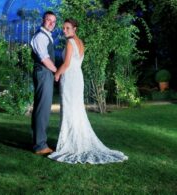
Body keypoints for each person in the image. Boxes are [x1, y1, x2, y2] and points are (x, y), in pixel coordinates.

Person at [48, 18, 128, 164]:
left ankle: (70, 144)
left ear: (74, 29)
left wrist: (57, 74)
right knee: (76, 109)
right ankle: (74, 140)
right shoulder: (80, 42)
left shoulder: (70, 42)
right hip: (78, 78)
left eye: (67, 28)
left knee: (70, 109)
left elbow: (66, 64)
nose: (64, 30)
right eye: (64, 28)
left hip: (70, 78)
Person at [30, 11, 57, 155]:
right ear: (43, 20)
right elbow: (44, 59)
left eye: (54, 21)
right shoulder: (41, 36)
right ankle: (40, 146)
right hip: (44, 72)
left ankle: (38, 142)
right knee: (43, 109)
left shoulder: (46, 36)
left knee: (41, 108)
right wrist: (56, 72)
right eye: (49, 20)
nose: (51, 23)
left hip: (44, 73)